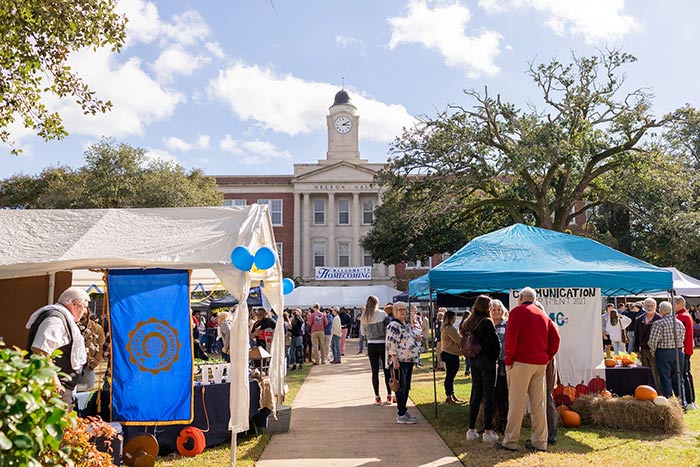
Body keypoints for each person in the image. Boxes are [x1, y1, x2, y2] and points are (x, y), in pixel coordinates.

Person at [496, 287, 560, 453]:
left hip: (521, 362)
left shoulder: (516, 312)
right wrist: (547, 356)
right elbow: (556, 338)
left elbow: (511, 338)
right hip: (540, 364)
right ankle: (540, 442)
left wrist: (509, 360)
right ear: (534, 299)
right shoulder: (543, 315)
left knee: (516, 403)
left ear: (521, 298)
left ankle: (510, 441)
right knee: (538, 404)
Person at [26, 287, 89, 407]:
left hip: (61, 387)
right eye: (84, 306)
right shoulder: (55, 320)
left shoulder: (61, 318)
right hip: (53, 388)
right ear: (74, 304)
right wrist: (54, 380)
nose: (85, 311)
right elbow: (40, 350)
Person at [462, 295, 500, 443]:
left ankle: (471, 429)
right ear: (486, 307)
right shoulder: (487, 322)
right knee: (488, 395)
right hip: (488, 362)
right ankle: (487, 431)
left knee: (476, 395)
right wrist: (494, 357)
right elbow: (496, 344)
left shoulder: (468, 322)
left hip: (474, 360)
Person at [386, 301, 421, 424]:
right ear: (395, 311)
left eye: (404, 309)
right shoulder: (394, 325)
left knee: (406, 387)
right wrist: (394, 360)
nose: (403, 311)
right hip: (400, 361)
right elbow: (391, 344)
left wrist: (416, 338)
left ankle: (403, 411)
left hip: (408, 360)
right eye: (400, 309)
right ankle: (401, 414)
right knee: (401, 387)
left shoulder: (405, 324)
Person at [648, 301, 686, 403]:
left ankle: (669, 402)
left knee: (665, 378)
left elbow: (652, 341)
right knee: (678, 378)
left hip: (664, 352)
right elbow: (683, 338)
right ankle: (682, 402)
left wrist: (653, 352)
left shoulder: (658, 323)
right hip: (678, 352)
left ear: (661, 311)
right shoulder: (679, 323)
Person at [361, 296, 392, 405]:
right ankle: (389, 394)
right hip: (382, 343)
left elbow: (363, 332)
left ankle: (377, 396)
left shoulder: (365, 316)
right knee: (386, 369)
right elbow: (388, 328)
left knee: (374, 371)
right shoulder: (382, 314)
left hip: (371, 344)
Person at [674, 297, 697, 409]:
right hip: (688, 348)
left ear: (679, 304)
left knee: (684, 375)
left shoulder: (681, 316)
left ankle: (688, 400)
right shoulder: (686, 315)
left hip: (683, 349)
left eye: (673, 304)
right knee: (687, 374)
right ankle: (691, 400)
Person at [634, 297, 661, 389]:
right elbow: (636, 336)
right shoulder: (639, 319)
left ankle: (658, 394)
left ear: (655, 306)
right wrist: (637, 350)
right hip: (643, 350)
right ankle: (648, 392)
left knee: (656, 374)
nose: (649, 307)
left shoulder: (659, 319)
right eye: (647, 305)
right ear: (643, 306)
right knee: (646, 372)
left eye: (652, 306)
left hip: (656, 351)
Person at [490, 299, 508, 432]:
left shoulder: (506, 325)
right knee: (490, 395)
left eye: (498, 309)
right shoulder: (486, 324)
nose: (496, 312)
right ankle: (489, 423)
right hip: (489, 365)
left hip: (502, 365)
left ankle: (503, 422)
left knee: (502, 394)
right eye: (494, 309)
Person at [77, 312, 105, 391]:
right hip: (70, 367)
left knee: (85, 395)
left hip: (88, 368)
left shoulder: (97, 328)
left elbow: (101, 348)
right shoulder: (70, 326)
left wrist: (93, 364)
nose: (82, 313)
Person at [440, 310, 463, 404]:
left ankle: (451, 394)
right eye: (454, 317)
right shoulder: (449, 328)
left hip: (450, 353)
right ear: (450, 318)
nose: (455, 319)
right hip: (450, 354)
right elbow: (458, 340)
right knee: (450, 376)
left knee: (451, 376)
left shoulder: (447, 328)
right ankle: (449, 396)